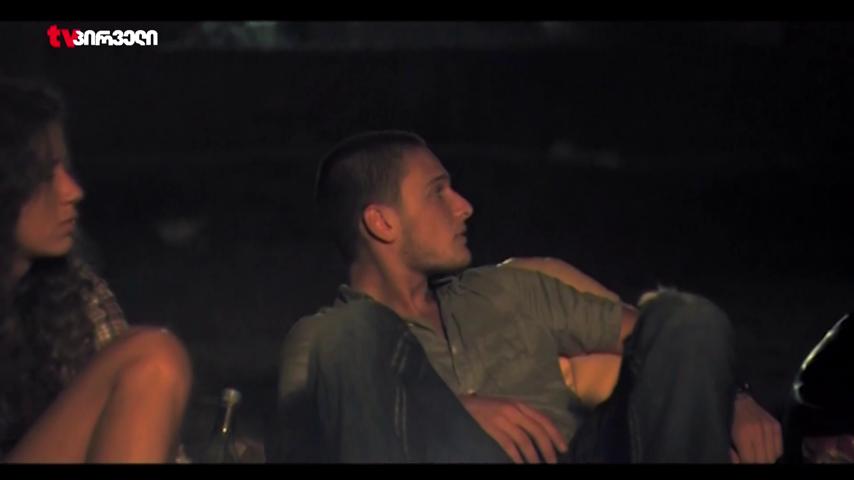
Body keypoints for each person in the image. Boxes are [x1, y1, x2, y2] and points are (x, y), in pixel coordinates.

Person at [271, 130, 781, 463]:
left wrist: (732, 398)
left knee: (684, 317)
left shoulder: (509, 290)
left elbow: (664, 344)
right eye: (438, 192)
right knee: (350, 335)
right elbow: (307, 449)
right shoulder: (329, 341)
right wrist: (446, 409)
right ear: (382, 223)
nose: (464, 206)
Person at [0, 77, 192, 463]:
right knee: (152, 356)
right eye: (45, 175)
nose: (72, 191)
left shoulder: (72, 293)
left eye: (66, 169)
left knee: (152, 359)